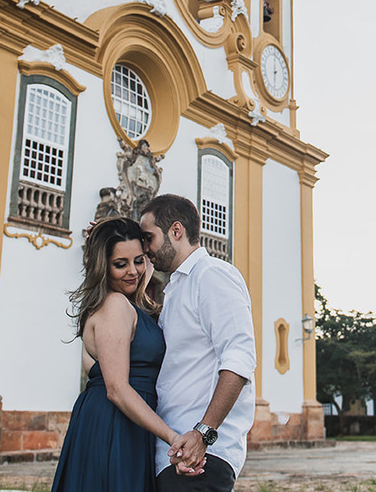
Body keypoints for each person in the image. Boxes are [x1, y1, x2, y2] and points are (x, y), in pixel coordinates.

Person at [51, 217, 200, 492]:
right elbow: (117, 389)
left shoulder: (129, 304)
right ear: (103, 266)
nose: (133, 271)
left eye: (139, 260)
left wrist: (117, 224)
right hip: (115, 421)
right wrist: (172, 437)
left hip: (129, 420)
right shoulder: (115, 305)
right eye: (120, 264)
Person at [139, 194, 257, 492]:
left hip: (203, 455)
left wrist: (203, 433)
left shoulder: (212, 275)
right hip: (176, 448)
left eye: (148, 238)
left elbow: (239, 359)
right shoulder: (176, 287)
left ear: (176, 231)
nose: (145, 248)